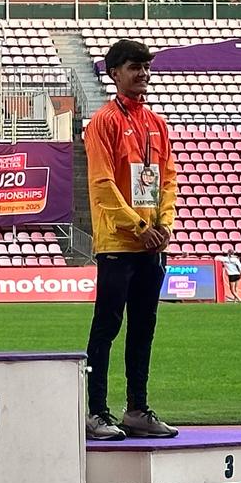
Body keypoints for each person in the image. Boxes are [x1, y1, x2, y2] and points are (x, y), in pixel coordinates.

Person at [83, 38, 178, 440]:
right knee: (106, 327)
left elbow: (168, 179)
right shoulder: (103, 122)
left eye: (146, 67)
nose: (143, 73)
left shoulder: (156, 123)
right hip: (118, 244)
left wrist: (165, 224)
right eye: (134, 66)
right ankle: (96, 411)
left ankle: (137, 408)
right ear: (114, 73)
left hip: (151, 244)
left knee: (143, 328)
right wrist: (140, 226)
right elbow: (102, 184)